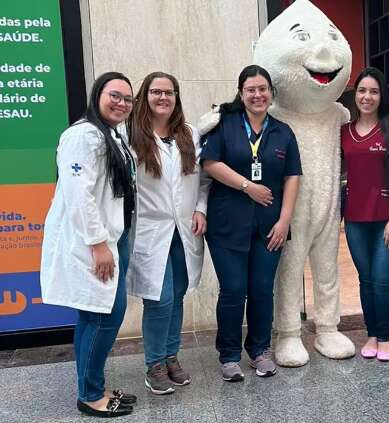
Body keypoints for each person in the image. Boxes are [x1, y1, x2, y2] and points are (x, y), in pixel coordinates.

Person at [40, 72, 137, 418]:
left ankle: (91, 384)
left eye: (127, 99)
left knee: (93, 316)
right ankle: (90, 394)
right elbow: (79, 194)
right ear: (98, 94)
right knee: (105, 316)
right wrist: (98, 244)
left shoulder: (110, 134)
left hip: (113, 237)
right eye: (115, 95)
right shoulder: (82, 136)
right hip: (93, 242)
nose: (122, 103)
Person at [201, 65, 301, 381]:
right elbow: (210, 163)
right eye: (251, 90)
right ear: (241, 93)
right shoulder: (225, 125)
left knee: (261, 290)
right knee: (233, 289)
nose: (257, 95)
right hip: (226, 225)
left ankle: (260, 351)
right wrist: (248, 186)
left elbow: (293, 177)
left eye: (263, 89)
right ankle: (229, 355)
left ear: (271, 93)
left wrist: (285, 220)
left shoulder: (283, 131)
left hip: (269, 227)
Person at [127, 72, 210, 394]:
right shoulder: (131, 135)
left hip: (185, 228)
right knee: (158, 299)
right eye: (156, 92)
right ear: (144, 96)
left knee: (177, 295)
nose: (163, 98)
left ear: (177, 97)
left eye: (170, 92)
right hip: (151, 229)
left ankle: (170, 356)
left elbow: (203, 180)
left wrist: (201, 208)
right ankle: (154, 364)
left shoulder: (189, 134)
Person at [341, 67, 389, 362]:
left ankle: (384, 336)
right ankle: (371, 333)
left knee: (382, 278)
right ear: (354, 95)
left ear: (381, 96)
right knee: (366, 279)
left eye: (373, 91)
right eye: (362, 91)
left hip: (387, 218)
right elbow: (341, 173)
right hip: (355, 218)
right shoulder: (344, 132)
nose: (367, 97)